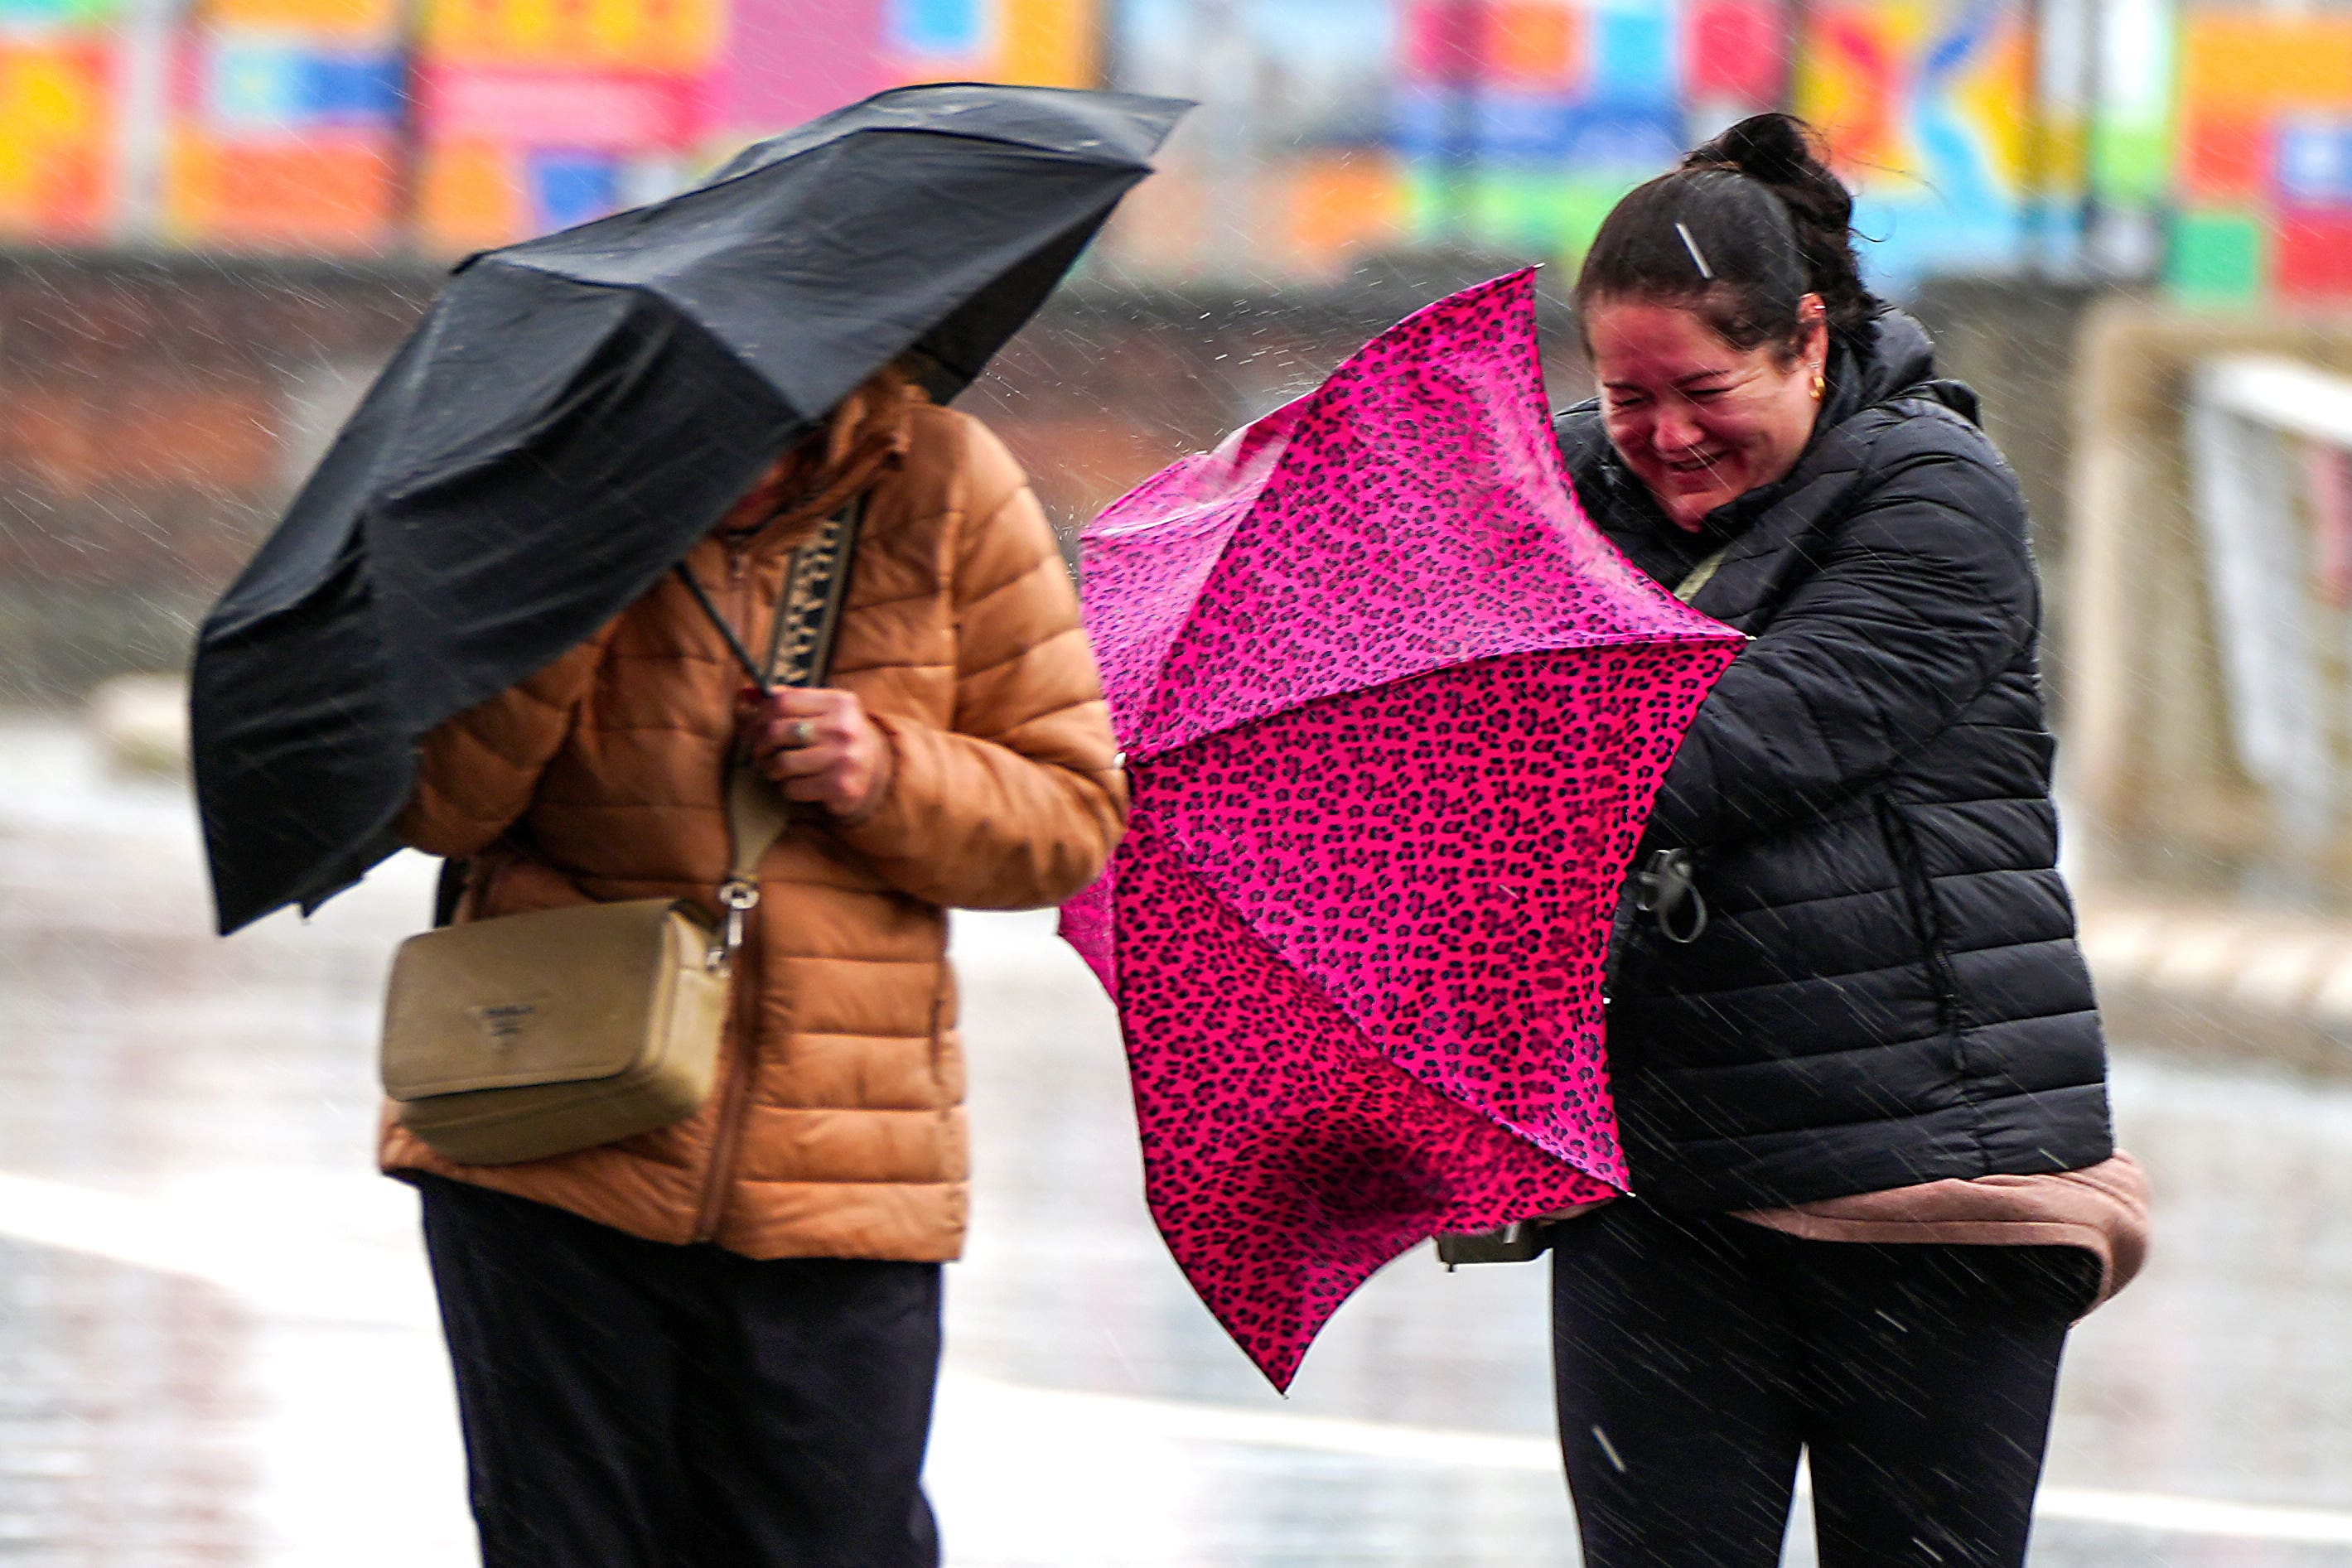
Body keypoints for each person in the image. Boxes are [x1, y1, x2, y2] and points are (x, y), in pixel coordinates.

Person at [384, 363, 1126, 1567]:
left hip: (845, 1165)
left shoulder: (943, 482)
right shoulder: (548, 486)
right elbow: (442, 802)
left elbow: (1069, 819)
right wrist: (573, 583)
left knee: (831, 1541)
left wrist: (884, 769)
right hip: (547, 1133)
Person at [1545, 113, 2151, 1567]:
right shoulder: (1552, 502)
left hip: (1932, 1187)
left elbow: (1716, 752)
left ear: (1809, 339)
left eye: (1703, 388)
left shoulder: (1937, 500)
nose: (1666, 435)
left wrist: (1471, 731)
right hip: (1664, 1189)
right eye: (1627, 395)